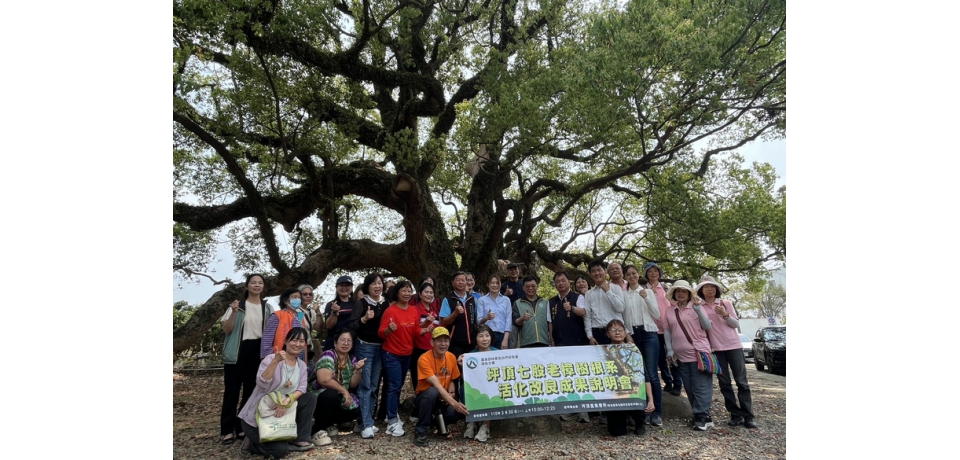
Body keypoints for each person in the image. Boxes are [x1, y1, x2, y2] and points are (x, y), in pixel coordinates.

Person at [238, 328, 319, 457]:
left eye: (302, 341)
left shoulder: (302, 365)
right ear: (286, 341)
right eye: (294, 340)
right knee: (279, 451)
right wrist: (275, 361)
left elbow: (302, 388)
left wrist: (286, 402)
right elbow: (261, 383)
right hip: (259, 415)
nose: (298, 344)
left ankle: (299, 439)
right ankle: (251, 444)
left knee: (310, 398)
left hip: (281, 413)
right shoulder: (271, 358)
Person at [696, 275, 756, 429]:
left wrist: (725, 314)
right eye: (706, 287)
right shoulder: (699, 306)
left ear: (717, 289)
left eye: (712, 286)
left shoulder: (725, 303)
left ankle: (748, 415)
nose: (710, 289)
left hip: (734, 346)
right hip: (716, 349)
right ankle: (735, 415)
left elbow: (735, 324)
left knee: (742, 382)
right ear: (701, 290)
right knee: (725, 384)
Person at [220, 273, 270, 445]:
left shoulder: (267, 307)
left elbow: (271, 330)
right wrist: (233, 313)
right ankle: (227, 430)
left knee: (251, 392)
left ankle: (241, 426)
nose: (257, 285)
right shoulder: (237, 305)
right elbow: (226, 329)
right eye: (253, 282)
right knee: (232, 391)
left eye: (260, 283)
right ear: (247, 286)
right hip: (238, 351)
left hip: (258, 352)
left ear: (263, 287)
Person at [663, 280, 715, 431]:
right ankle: (701, 414)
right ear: (674, 294)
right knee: (689, 386)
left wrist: (699, 310)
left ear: (689, 294)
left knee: (701, 385)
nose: (680, 293)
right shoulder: (669, 311)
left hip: (698, 351)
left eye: (683, 291)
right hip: (680, 355)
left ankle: (701, 415)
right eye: (678, 291)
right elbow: (667, 331)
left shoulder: (697, 307)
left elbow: (708, 326)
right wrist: (670, 350)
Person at [344, 272, 391, 439]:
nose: (378, 286)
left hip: (381, 347)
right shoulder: (361, 303)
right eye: (373, 283)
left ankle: (366, 421)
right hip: (364, 347)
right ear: (367, 286)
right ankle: (366, 424)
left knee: (373, 386)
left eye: (380, 283)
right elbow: (351, 325)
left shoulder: (387, 303)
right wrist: (364, 319)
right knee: (365, 386)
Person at [412, 327, 469, 447]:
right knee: (432, 392)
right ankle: (421, 430)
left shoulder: (451, 357)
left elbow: (453, 378)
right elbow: (436, 385)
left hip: (444, 397)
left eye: (445, 340)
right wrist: (454, 403)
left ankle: (436, 422)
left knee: (455, 414)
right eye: (439, 341)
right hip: (426, 397)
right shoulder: (424, 359)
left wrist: (451, 392)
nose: (443, 344)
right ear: (432, 342)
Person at [622, 264, 663, 427]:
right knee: (638, 374)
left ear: (639, 275)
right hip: (633, 335)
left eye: (634, 273)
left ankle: (657, 412)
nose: (632, 276)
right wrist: (627, 334)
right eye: (629, 274)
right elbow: (623, 316)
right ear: (625, 277)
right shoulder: (624, 295)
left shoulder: (647, 292)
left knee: (652, 373)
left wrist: (646, 297)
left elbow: (657, 314)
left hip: (648, 333)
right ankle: (643, 411)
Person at [378, 280, 420, 437]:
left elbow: (415, 331)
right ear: (397, 293)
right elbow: (381, 333)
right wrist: (389, 329)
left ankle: (393, 414)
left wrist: (427, 327)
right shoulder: (391, 311)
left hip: (407, 354)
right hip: (391, 354)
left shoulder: (414, 310)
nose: (407, 293)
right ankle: (392, 422)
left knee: (398, 385)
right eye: (404, 290)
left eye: (409, 290)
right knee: (394, 386)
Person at [310, 329, 366, 440]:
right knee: (331, 395)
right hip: (319, 394)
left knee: (356, 409)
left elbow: (353, 384)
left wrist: (358, 370)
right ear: (335, 343)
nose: (346, 343)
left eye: (349, 341)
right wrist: (344, 391)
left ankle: (328, 424)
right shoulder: (328, 355)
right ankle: (316, 430)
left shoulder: (351, 358)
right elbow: (324, 380)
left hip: (339, 395)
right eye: (342, 340)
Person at [603, 319, 656, 437]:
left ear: (625, 332)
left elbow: (645, 377)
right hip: (614, 396)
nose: (617, 332)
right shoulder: (602, 351)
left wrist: (651, 400)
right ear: (607, 333)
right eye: (613, 330)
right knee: (617, 432)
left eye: (620, 330)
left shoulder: (633, 350)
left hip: (633, 392)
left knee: (637, 396)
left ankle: (639, 422)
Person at [550, 272, 590, 423]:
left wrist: (571, 307)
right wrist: (551, 339)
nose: (560, 283)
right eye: (557, 281)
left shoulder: (578, 297)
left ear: (568, 282)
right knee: (566, 376)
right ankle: (569, 409)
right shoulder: (552, 301)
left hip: (578, 341)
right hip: (560, 343)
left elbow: (584, 312)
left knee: (580, 375)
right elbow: (550, 322)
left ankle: (583, 411)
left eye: (563, 280)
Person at [646, 262, 682, 397]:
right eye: (650, 271)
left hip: (669, 327)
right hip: (653, 329)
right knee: (660, 358)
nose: (653, 273)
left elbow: (675, 304)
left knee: (673, 356)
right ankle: (667, 381)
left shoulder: (667, 289)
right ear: (646, 274)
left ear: (659, 274)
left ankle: (678, 383)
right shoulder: (643, 289)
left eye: (655, 271)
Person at [462, 324, 497, 442]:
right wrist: (462, 364)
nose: (485, 339)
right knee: (464, 389)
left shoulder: (498, 353)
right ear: (475, 339)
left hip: (493, 386)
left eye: (487, 335)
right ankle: (471, 420)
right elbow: (465, 377)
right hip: (476, 388)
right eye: (481, 336)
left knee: (492, 390)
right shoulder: (470, 356)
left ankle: (486, 426)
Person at [583, 260, 630, 345]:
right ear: (590, 275)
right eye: (593, 271)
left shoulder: (616, 288)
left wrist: (608, 291)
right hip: (597, 333)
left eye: (599, 270)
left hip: (616, 332)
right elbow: (587, 316)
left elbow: (620, 308)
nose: (597, 273)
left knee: (617, 358)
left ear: (605, 272)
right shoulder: (589, 294)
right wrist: (590, 336)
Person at [440, 271, 479, 358]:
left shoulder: (472, 299)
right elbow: (444, 321)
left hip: (471, 342)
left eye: (463, 280)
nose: (461, 282)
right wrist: (455, 313)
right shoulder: (448, 299)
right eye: (458, 280)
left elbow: (476, 320)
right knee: (457, 369)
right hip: (455, 343)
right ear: (453, 283)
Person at [410, 282, 440, 393]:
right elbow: (413, 329)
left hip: (433, 351)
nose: (429, 294)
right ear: (420, 294)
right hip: (418, 349)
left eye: (431, 292)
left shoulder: (435, 310)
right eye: (426, 292)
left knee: (433, 380)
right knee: (419, 380)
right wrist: (426, 322)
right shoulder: (414, 309)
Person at [261, 288, 306, 361]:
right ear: (285, 300)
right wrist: (267, 360)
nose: (298, 299)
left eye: (299, 298)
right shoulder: (277, 315)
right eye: (295, 297)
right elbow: (267, 340)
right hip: (279, 358)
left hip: (298, 359)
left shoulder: (300, 317)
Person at [512, 275, 552, 348]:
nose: (530, 288)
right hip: (526, 343)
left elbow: (550, 322)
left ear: (537, 286)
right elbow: (515, 322)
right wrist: (522, 318)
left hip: (544, 341)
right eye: (527, 286)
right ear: (523, 288)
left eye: (533, 286)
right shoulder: (517, 303)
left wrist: (551, 339)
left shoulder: (545, 302)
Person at [477, 275, 512, 350]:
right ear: (488, 284)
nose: (495, 285)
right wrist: (487, 318)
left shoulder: (506, 300)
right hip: (486, 336)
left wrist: (505, 339)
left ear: (500, 284)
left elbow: (508, 320)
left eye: (497, 283)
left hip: (502, 336)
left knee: (503, 360)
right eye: (492, 283)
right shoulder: (481, 300)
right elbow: (478, 321)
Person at [321, 276, 355, 352]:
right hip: (333, 343)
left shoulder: (356, 304)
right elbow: (329, 325)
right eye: (341, 285)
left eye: (347, 285)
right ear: (336, 287)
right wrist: (334, 312)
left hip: (351, 344)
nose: (344, 288)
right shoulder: (331, 304)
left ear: (352, 287)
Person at [297, 284, 318, 363]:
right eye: (305, 294)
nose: (308, 296)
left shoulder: (311, 312)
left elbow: (318, 328)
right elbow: (300, 326)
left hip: (309, 348)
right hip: (299, 349)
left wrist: (317, 312)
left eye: (310, 294)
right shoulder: (297, 311)